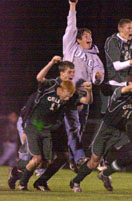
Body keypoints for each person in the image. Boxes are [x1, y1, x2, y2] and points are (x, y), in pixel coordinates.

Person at [69, 71, 132, 193]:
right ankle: (75, 181)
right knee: (93, 163)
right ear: (130, 83)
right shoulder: (119, 91)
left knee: (129, 158)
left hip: (120, 131)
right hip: (105, 129)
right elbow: (130, 88)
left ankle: (105, 173)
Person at [17, 60, 93, 191]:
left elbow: (85, 102)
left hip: (53, 127)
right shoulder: (51, 84)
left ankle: (39, 181)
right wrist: (52, 62)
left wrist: (89, 91)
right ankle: (20, 175)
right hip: (36, 126)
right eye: (69, 72)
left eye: (73, 72)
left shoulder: (71, 90)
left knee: (51, 160)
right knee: (37, 160)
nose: (72, 75)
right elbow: (39, 79)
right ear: (61, 73)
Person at [63, 0, 104, 168]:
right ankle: (79, 158)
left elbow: (98, 72)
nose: (89, 38)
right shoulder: (71, 48)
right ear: (78, 40)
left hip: (85, 95)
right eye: (85, 36)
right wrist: (73, 6)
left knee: (79, 129)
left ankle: (73, 160)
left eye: (90, 36)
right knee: (72, 127)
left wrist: (97, 77)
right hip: (69, 92)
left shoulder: (94, 55)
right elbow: (71, 27)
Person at [100, 18, 132, 114]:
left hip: (124, 82)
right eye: (129, 28)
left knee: (123, 113)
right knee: (107, 114)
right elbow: (116, 66)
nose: (131, 30)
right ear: (120, 28)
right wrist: (131, 61)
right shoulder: (113, 42)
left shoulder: (130, 40)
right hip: (112, 83)